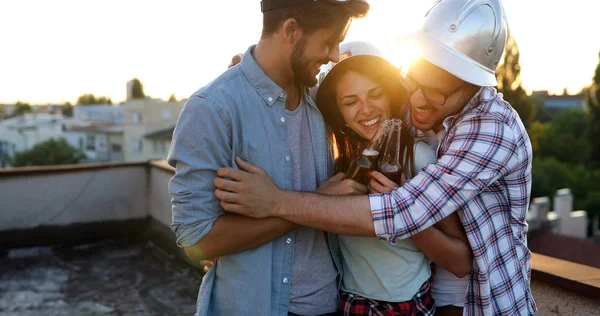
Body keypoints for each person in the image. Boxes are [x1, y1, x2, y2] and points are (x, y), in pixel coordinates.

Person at [213, 0, 538, 315]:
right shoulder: (413, 110)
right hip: (378, 297)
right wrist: (260, 75)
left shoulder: (491, 129)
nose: (417, 99)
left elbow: (402, 212)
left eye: (434, 91)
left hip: (487, 301)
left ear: (469, 83)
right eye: (412, 82)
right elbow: (345, 99)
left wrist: (275, 202)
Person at [167, 0, 370, 315]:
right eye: (328, 43)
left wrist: (281, 203)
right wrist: (314, 204)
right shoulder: (213, 108)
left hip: (331, 303)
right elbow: (198, 239)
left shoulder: (322, 98)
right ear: (291, 30)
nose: (332, 56)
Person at [315, 41, 473, 315]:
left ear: (390, 95)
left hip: (408, 305)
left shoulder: (419, 159)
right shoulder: (336, 163)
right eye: (350, 102)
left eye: (375, 95)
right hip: (350, 304)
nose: (365, 110)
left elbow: (460, 261)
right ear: (339, 113)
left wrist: (404, 208)